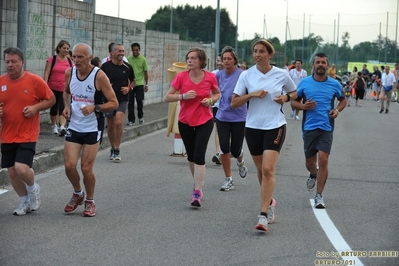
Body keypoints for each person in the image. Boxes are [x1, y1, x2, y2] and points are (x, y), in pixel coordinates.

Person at [231, 39, 296, 232]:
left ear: (270, 55)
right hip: (253, 127)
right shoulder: (246, 75)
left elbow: (294, 92)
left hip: (275, 125)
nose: (257, 55)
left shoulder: (281, 74)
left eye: (261, 51)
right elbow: (234, 103)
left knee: (268, 169)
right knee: (260, 170)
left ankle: (263, 215)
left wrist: (285, 98)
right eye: (255, 52)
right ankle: (270, 201)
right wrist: (251, 95)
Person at [62, 43, 118, 217]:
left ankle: (90, 201)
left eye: (80, 57)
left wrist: (95, 108)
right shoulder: (69, 73)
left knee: (86, 168)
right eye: (74, 57)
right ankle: (78, 193)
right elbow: (66, 92)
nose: (76, 60)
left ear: (89, 57)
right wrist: (66, 106)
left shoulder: (99, 76)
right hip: (74, 125)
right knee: (69, 165)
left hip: (93, 126)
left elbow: (114, 102)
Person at [0, 47, 56, 215]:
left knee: (21, 168)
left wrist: (36, 107)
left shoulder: (34, 81)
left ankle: (33, 188)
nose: (10, 65)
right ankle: (24, 201)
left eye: (14, 61)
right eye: (7, 61)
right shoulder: (1, 82)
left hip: (27, 133)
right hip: (7, 133)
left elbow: (51, 99)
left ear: (22, 62)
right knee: (11, 171)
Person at [164, 47, 220, 208]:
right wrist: (182, 96)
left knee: (199, 155)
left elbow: (217, 94)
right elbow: (168, 97)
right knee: (191, 156)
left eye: (193, 58)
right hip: (185, 121)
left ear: (201, 61)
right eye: (188, 58)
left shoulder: (210, 77)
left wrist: (209, 101)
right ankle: (197, 182)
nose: (189, 60)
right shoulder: (181, 77)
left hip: (204, 120)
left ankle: (197, 190)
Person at [291, 52, 347, 209]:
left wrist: (337, 110)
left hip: (326, 127)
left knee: (323, 159)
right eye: (318, 62)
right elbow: (293, 103)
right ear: (313, 65)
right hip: (309, 128)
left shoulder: (335, 84)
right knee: (310, 163)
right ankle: (313, 173)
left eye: (323, 62)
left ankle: (319, 195)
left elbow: (343, 100)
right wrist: (303, 106)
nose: (321, 65)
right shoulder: (304, 83)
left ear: (327, 66)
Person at [215, 46, 247, 192]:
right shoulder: (218, 75)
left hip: (239, 116)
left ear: (235, 60)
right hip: (222, 115)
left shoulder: (243, 75)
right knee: (224, 147)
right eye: (224, 59)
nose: (226, 61)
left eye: (229, 59)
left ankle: (240, 162)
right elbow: (211, 89)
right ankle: (229, 179)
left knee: (235, 149)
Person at [101, 43, 135, 161]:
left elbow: (134, 81)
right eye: (119, 51)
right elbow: (98, 80)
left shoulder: (128, 67)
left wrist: (129, 88)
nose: (121, 53)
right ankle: (112, 147)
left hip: (122, 98)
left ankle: (117, 148)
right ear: (112, 53)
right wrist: (105, 86)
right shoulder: (105, 67)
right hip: (109, 99)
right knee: (110, 125)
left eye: (123, 51)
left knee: (119, 122)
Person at [43, 40, 73, 136]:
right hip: (52, 87)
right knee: (54, 108)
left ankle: (63, 127)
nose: (66, 50)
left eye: (67, 48)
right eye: (64, 48)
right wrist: (45, 85)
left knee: (63, 107)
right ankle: (54, 125)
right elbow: (47, 72)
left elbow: (73, 74)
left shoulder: (70, 61)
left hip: (64, 88)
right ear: (59, 48)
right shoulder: (52, 59)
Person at [127, 43, 148, 126]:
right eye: (134, 50)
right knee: (130, 103)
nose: (135, 51)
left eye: (137, 50)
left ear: (139, 50)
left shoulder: (143, 59)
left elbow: (146, 72)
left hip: (139, 84)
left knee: (139, 101)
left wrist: (147, 84)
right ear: (132, 50)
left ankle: (141, 116)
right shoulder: (128, 59)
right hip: (131, 84)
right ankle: (131, 120)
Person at [211, 54, 224, 165]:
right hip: (216, 105)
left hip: (229, 107)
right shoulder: (213, 74)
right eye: (218, 60)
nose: (219, 63)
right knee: (217, 129)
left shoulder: (234, 75)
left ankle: (225, 151)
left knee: (227, 132)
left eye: (222, 61)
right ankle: (218, 153)